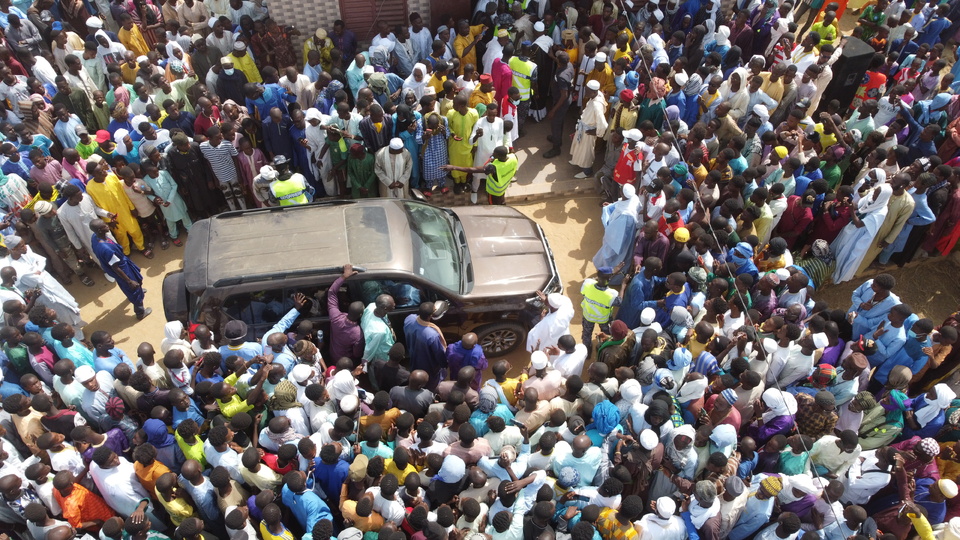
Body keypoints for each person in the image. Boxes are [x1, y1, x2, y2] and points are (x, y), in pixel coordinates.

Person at [89, 219, 150, 320]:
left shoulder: (95, 237)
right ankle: (140, 312)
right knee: (133, 288)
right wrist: (129, 281)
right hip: (122, 269)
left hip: (121, 263)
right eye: (104, 225)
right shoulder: (106, 249)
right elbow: (116, 267)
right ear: (99, 230)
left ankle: (136, 291)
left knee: (134, 282)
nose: (107, 225)